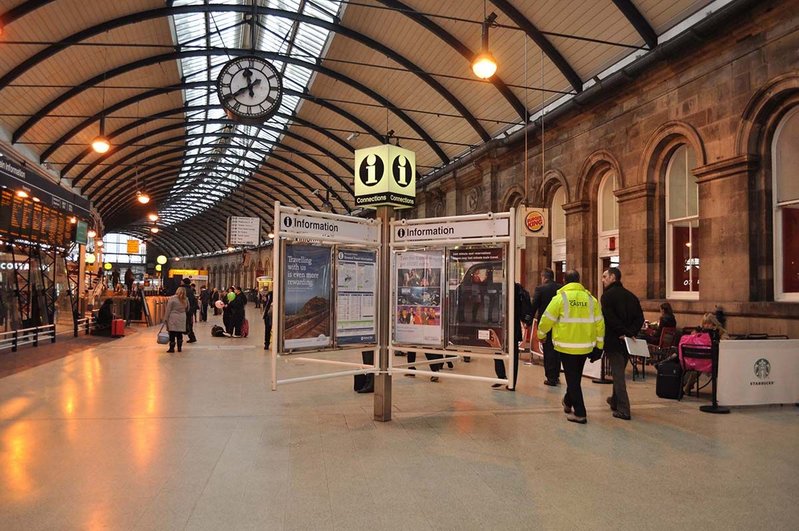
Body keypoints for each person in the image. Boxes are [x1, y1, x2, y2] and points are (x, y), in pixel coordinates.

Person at [537, 270, 605, 424]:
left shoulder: (560, 299)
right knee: (575, 378)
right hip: (585, 347)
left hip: (566, 347)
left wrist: (541, 335)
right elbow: (600, 324)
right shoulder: (591, 299)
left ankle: (580, 413)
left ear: (564, 280)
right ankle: (568, 402)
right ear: (579, 280)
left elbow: (546, 319)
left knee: (572, 380)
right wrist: (599, 346)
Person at [600, 267, 644, 421]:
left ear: (613, 277)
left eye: (605, 276)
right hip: (628, 342)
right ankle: (614, 400)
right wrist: (630, 332)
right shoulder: (631, 296)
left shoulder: (607, 297)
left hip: (614, 340)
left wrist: (622, 332)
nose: (603, 279)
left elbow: (610, 318)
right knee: (619, 369)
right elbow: (640, 318)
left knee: (618, 375)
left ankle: (624, 409)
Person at [492, 282, 534, 391]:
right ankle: (510, 382)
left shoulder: (502, 286)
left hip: (502, 324)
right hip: (512, 326)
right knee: (509, 353)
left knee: (497, 349)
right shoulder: (517, 287)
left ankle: (503, 377)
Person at [530, 268, 562, 386]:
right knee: (557, 350)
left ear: (544, 277)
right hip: (559, 324)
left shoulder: (540, 289)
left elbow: (534, 306)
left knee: (548, 350)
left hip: (546, 323)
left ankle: (551, 377)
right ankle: (557, 375)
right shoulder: (561, 288)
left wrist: (528, 320)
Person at [683, 313, 728, 394]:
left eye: (709, 323)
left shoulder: (720, 332)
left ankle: (687, 386)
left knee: (697, 364)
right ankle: (685, 385)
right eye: (705, 323)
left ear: (714, 323)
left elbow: (726, 342)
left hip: (716, 360)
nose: (706, 326)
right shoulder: (700, 331)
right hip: (702, 358)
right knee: (695, 364)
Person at [163, 286, 188, 353]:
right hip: (182, 317)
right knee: (179, 333)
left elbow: (168, 309)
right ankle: (179, 348)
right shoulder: (186, 299)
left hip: (173, 317)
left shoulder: (172, 299)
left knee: (172, 333)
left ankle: (171, 348)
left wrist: (165, 318)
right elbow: (187, 308)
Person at [181, 278, 198, 343]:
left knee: (182, 324)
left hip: (183, 310)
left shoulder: (182, 290)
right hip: (189, 310)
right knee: (189, 324)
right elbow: (194, 301)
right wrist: (192, 310)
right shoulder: (191, 290)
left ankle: (180, 338)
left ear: (183, 282)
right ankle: (192, 337)